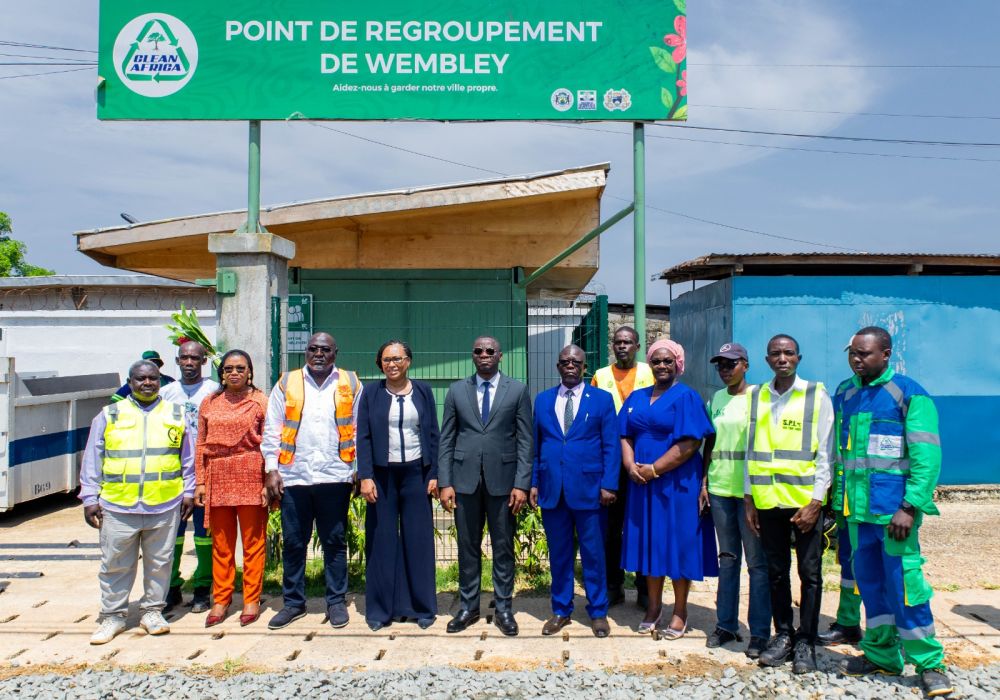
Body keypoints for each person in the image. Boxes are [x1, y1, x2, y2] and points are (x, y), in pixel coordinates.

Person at [835, 327, 952, 697]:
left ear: (885, 354)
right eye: (853, 353)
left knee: (906, 588)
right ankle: (882, 653)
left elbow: (927, 456)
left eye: (864, 354)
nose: (857, 359)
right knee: (871, 586)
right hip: (857, 515)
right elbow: (843, 457)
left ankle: (930, 664)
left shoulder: (909, 394)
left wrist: (910, 505)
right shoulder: (846, 393)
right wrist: (838, 503)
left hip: (894, 516)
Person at [80, 359, 195, 644]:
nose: (147, 383)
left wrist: (189, 492)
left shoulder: (176, 414)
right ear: (130, 382)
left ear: (160, 381)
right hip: (118, 505)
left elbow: (188, 459)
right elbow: (92, 459)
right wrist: (89, 496)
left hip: (164, 503)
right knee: (115, 564)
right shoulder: (110, 415)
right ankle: (113, 616)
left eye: (153, 379)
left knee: (160, 563)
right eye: (141, 379)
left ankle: (152, 612)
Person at [744, 334, 833, 673]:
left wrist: (816, 502)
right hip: (767, 502)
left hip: (803, 504)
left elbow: (826, 454)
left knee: (809, 574)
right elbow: (753, 452)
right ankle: (783, 634)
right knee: (777, 573)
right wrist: (750, 499)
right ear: (767, 360)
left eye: (789, 353)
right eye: (776, 354)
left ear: (798, 357)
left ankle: (806, 640)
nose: (782, 358)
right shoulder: (758, 396)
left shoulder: (815, 395)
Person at [262, 332, 362, 630]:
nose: (319, 354)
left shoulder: (351, 383)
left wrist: (357, 468)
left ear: (335, 353)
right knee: (294, 542)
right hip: (295, 475)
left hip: (336, 474)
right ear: (305, 352)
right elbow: (273, 428)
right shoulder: (286, 382)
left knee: (334, 541)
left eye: (325, 350)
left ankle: (335, 602)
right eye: (313, 349)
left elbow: (358, 428)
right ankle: (293, 603)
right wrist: (271, 468)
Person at [620, 338, 717, 639]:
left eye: (668, 361)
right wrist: (630, 465)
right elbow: (624, 433)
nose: (662, 365)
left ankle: (680, 610)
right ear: (649, 363)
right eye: (657, 360)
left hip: (676, 483)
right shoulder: (636, 397)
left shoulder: (686, 397)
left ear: (678, 364)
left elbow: (690, 444)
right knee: (648, 542)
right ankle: (653, 607)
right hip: (641, 484)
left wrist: (653, 468)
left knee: (677, 543)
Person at [438, 335, 533, 636]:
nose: (483, 355)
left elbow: (525, 441)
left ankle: (503, 607)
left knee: (503, 547)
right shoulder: (457, 390)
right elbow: (446, 439)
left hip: (504, 483)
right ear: (472, 356)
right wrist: (445, 482)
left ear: (500, 355)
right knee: (467, 547)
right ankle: (468, 606)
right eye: (478, 350)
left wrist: (521, 483)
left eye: (489, 351)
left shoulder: (517, 390)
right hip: (464, 482)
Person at [531, 345, 619, 638]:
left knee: (594, 554)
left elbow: (611, 445)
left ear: (585, 367)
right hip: (552, 490)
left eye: (576, 362)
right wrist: (533, 482)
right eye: (565, 361)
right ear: (558, 366)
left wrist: (609, 484)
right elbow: (536, 447)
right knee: (560, 554)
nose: (570, 365)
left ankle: (597, 611)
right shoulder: (543, 401)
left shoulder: (602, 400)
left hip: (590, 490)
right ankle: (561, 610)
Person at [357, 340, 441, 631]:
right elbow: (363, 436)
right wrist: (365, 475)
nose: (392, 364)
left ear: (408, 361)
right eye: (386, 359)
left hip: (416, 474)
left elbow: (433, 433)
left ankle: (422, 607)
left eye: (398, 358)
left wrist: (434, 474)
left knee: (418, 540)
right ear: (379, 363)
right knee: (381, 540)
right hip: (382, 476)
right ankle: (380, 610)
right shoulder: (371, 393)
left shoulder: (423, 391)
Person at [700, 342, 771, 658]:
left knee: (757, 563)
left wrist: (756, 492)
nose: (725, 370)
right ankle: (726, 624)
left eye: (731, 364)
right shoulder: (716, 398)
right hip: (720, 490)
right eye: (720, 365)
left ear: (745, 364)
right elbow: (711, 442)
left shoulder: (762, 398)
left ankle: (759, 632)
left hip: (750, 495)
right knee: (727, 558)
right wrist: (705, 480)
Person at [193, 349, 269, 628]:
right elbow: (200, 444)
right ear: (221, 374)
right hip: (219, 476)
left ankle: (251, 598)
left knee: (253, 543)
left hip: (251, 473)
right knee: (221, 544)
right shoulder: (209, 402)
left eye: (240, 368)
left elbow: (270, 442)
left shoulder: (261, 401)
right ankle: (221, 598)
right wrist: (200, 481)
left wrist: (268, 480)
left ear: (250, 372)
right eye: (228, 369)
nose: (234, 373)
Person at [591, 326, 654, 609]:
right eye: (617, 342)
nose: (622, 346)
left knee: (640, 526)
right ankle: (613, 585)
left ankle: (643, 588)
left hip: (642, 462)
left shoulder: (650, 374)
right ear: (612, 346)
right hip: (610, 463)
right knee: (611, 529)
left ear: (637, 346)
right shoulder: (601, 376)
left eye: (628, 342)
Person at [160, 341, 218, 614]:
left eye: (195, 358)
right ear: (177, 360)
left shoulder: (213, 391)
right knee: (173, 535)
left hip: (207, 472)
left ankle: (203, 587)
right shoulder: (165, 394)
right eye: (184, 358)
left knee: (205, 534)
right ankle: (171, 587)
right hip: (174, 475)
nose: (189, 363)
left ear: (204, 361)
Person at [111, 350, 176, 402]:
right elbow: (116, 399)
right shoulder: (136, 382)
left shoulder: (169, 380)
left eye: (156, 362)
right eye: (150, 362)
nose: (153, 364)